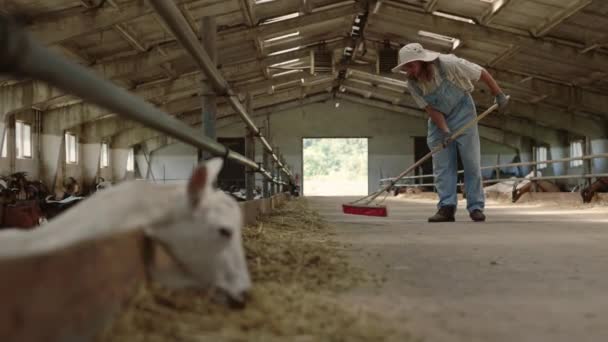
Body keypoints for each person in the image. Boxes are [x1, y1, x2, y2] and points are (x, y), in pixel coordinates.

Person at [392, 43, 509, 222]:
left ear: (421, 62)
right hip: (439, 118)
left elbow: (481, 73)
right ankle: (446, 207)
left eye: (411, 66)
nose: (409, 71)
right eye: (406, 67)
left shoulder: (449, 63)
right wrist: (445, 131)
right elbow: (430, 108)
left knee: (471, 162)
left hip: (463, 112)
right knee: (442, 164)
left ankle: (475, 206)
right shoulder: (412, 82)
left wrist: (498, 94)